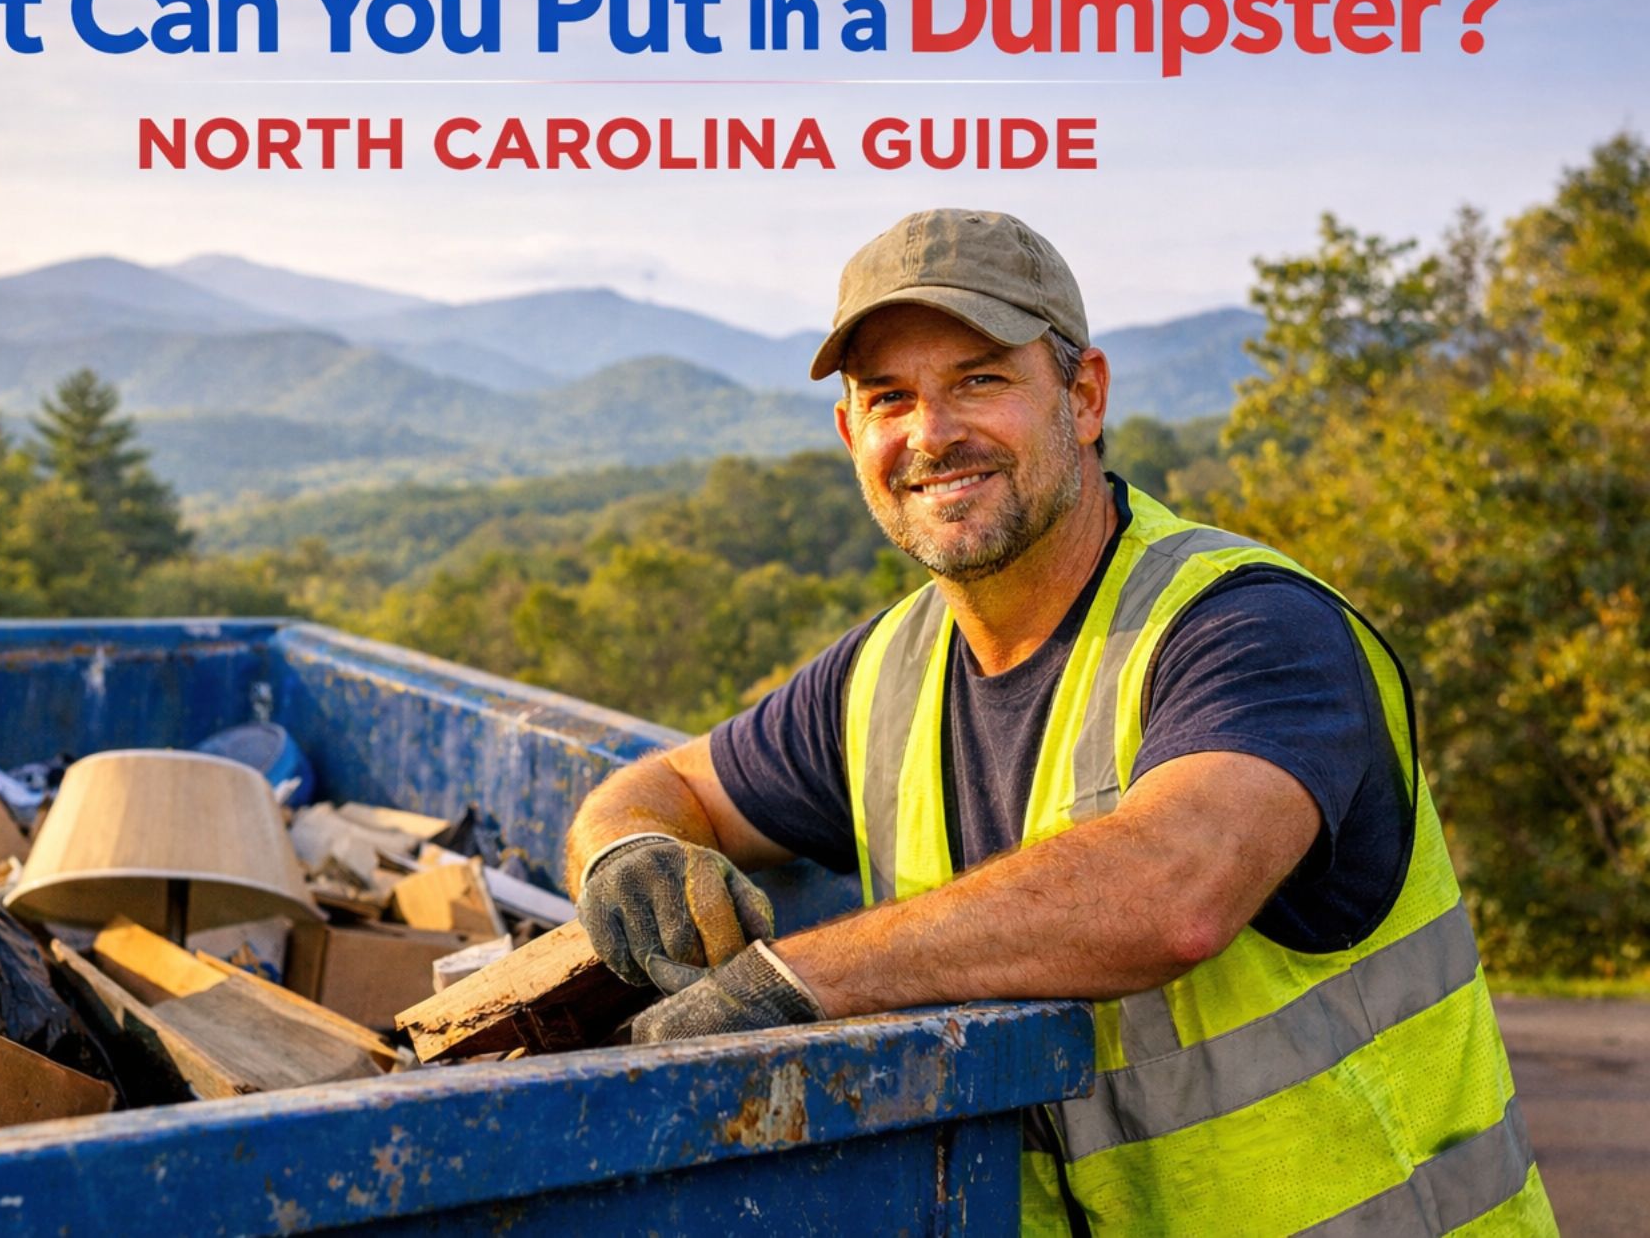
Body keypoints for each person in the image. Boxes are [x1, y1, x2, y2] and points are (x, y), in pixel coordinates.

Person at [564, 210, 1555, 1235]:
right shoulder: (878, 678)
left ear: (1081, 398)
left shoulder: (1250, 628)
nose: (930, 433)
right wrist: (625, 852)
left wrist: (796, 980)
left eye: (979, 380)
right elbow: (659, 788)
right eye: (889, 398)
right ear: (849, 434)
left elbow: (1175, 889)